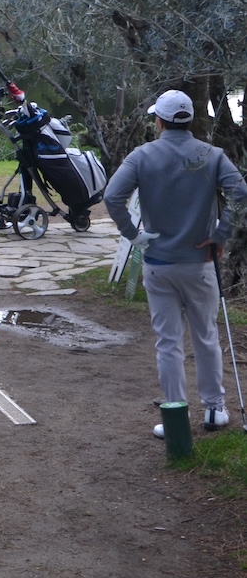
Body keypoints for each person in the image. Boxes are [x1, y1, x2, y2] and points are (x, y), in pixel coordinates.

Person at [104, 89, 247, 437]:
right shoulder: (211, 155)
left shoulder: (142, 156)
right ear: (190, 120)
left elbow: (112, 196)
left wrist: (133, 235)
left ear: (160, 121)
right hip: (200, 262)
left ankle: (176, 416)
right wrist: (221, 235)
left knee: (168, 342)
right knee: (206, 337)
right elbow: (240, 194)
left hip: (158, 262)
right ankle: (214, 409)